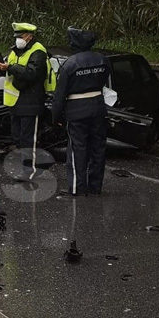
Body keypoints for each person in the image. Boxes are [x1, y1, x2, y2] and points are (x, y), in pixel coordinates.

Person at [52, 27, 110, 196]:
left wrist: (56, 118)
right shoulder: (102, 59)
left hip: (77, 111)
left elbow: (59, 95)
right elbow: (104, 81)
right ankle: (95, 187)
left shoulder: (70, 64)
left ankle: (78, 188)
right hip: (98, 108)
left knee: (78, 149)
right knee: (98, 149)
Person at [0, 22, 54, 181]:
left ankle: (29, 171)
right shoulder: (15, 51)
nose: (18, 39)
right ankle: (25, 167)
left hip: (31, 101)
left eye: (21, 36)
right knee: (18, 138)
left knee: (28, 139)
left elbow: (32, 74)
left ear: (29, 36)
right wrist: (0, 68)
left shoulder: (38, 51)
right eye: (16, 36)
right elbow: (8, 73)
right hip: (15, 103)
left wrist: (9, 68)